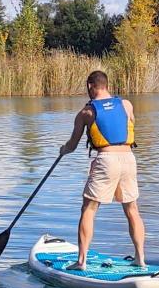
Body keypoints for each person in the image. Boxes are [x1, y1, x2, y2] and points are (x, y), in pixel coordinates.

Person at [60, 70, 145, 271]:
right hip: (129, 159)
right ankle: (140, 258)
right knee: (132, 209)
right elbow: (128, 126)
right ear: (106, 85)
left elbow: (72, 145)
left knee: (88, 209)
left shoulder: (86, 113)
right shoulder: (126, 104)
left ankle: (81, 261)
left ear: (90, 86)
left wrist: (63, 150)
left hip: (106, 160)